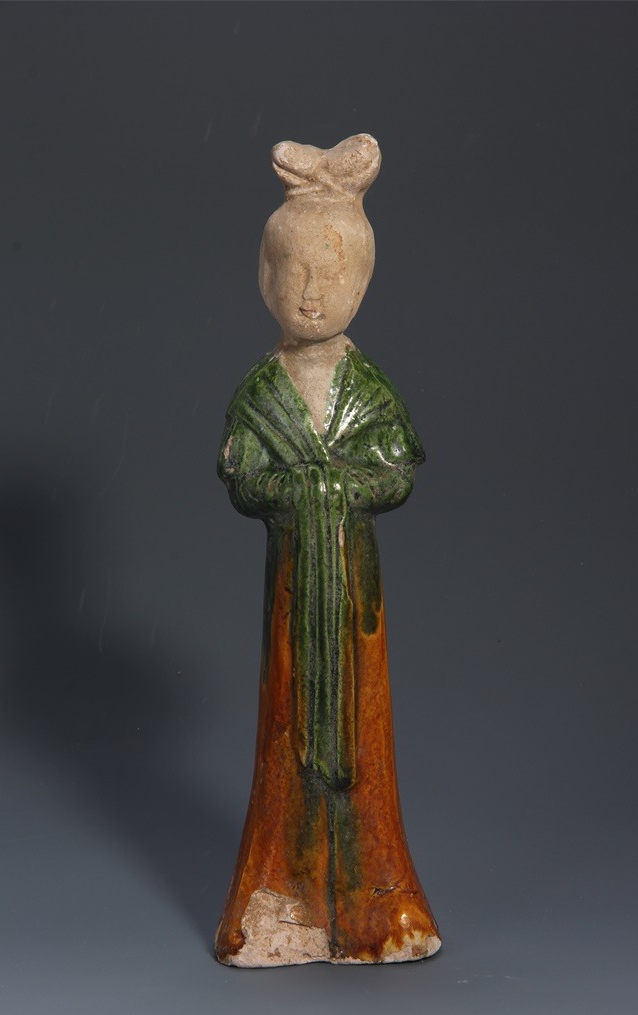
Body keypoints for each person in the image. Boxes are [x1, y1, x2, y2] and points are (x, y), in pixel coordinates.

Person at [215, 134, 440, 965]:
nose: (311, 296)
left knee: (365, 750)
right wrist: (301, 490)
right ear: (264, 278)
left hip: (352, 600)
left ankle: (379, 910)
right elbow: (244, 480)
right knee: (285, 739)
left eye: (332, 276)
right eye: (293, 275)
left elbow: (397, 472)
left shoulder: (367, 389)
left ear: (363, 285)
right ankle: (279, 904)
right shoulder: (262, 392)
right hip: (291, 600)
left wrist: (336, 489)